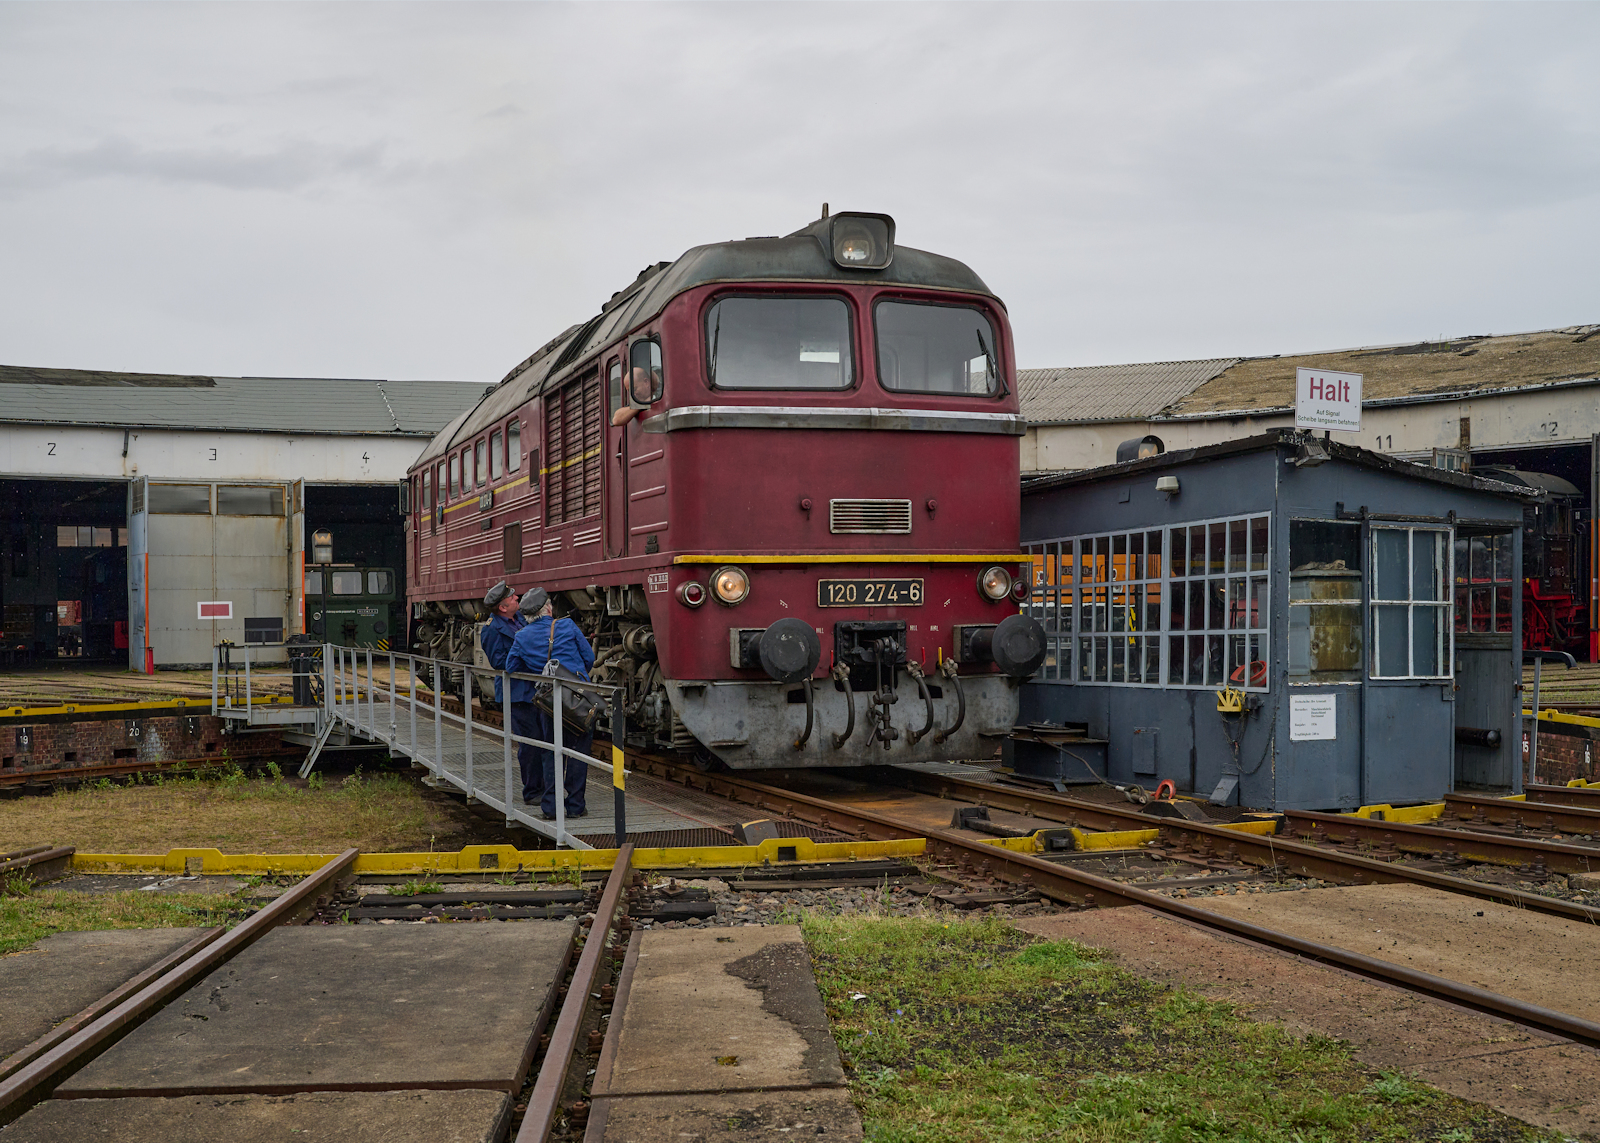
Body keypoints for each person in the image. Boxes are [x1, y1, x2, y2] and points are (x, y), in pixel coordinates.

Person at [507, 589, 595, 820]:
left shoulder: (522, 636)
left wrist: (539, 670)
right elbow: (589, 659)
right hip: (578, 698)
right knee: (578, 751)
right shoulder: (566, 626)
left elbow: (510, 667)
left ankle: (551, 808)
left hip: (549, 700)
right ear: (548, 608)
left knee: (550, 751)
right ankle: (576, 806)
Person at [479, 581, 539, 807]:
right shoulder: (492, 630)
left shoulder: (520, 620)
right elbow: (499, 662)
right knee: (530, 745)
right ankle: (532, 791)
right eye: (513, 598)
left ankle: (543, 787)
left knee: (542, 741)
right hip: (517, 694)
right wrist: (527, 657)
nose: (517, 599)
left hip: (533, 690)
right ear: (503, 607)